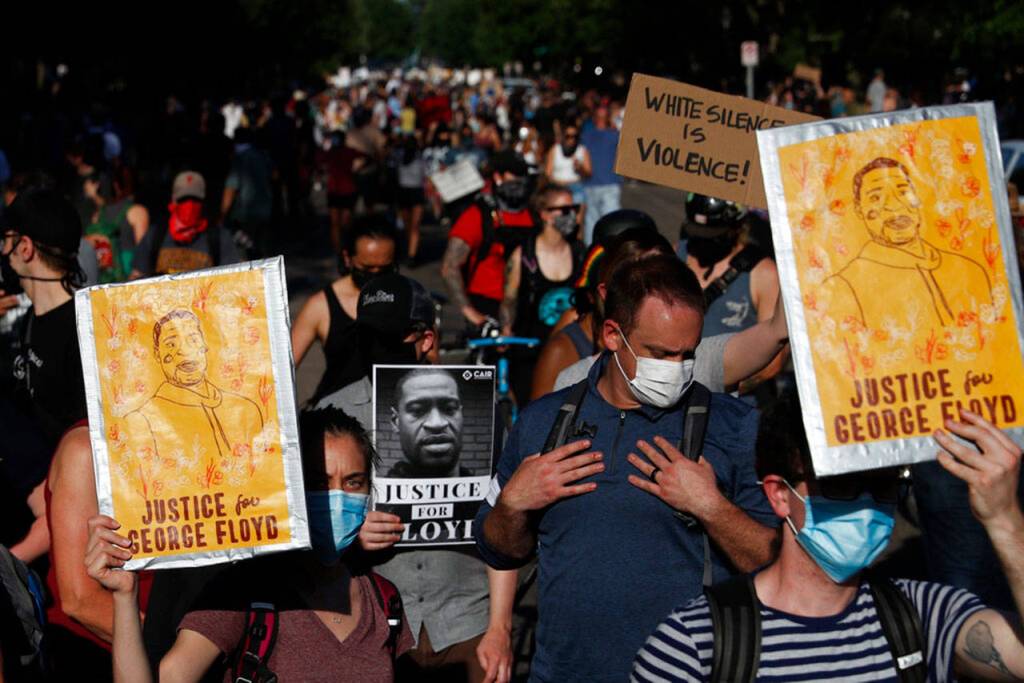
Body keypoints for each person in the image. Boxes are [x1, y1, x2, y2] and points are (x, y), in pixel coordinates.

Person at [474, 255, 778, 682]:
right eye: (660, 354)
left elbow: (777, 563)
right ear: (613, 335)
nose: (676, 370)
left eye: (687, 355)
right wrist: (512, 505)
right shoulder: (544, 421)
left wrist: (712, 508)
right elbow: (498, 548)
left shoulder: (734, 426)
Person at [633, 398, 1024, 682]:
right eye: (843, 485)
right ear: (780, 494)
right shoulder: (693, 645)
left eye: (884, 484)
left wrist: (1004, 518)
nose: (867, 501)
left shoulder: (925, 616)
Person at [84, 407, 415, 682]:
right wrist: (124, 597)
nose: (338, 499)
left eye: (353, 482)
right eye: (318, 482)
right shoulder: (247, 589)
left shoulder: (384, 601)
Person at [319, 273, 516, 683]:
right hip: (373, 623)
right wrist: (348, 532)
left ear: (425, 340)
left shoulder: (483, 408)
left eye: (388, 339)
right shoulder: (332, 412)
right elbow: (304, 527)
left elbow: (505, 517)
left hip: (466, 621)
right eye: (367, 336)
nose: (375, 349)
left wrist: (500, 628)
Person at [825, 156, 992, 329]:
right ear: (860, 210)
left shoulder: (971, 271)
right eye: (876, 197)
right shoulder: (843, 287)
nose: (895, 206)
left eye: (903, 192)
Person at [3, 187, 88, 448]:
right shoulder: (32, 318)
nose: (4, 251)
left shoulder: (84, 330)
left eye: (6, 241)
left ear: (25, 248)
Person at [678, 193, 785, 393]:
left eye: (712, 234)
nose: (703, 241)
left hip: (733, 408)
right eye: (698, 232)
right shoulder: (674, 256)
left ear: (736, 227)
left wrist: (712, 393)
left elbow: (773, 362)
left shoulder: (765, 275)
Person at [124, 309, 264, 461]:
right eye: (171, 344)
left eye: (193, 340)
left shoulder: (247, 409)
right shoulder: (142, 421)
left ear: (204, 345)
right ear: (158, 354)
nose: (184, 351)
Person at [292, 215, 398, 404]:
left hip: (390, 412)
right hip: (336, 414)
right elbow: (285, 368)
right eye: (366, 268)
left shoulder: (408, 299)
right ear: (348, 258)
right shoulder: (320, 306)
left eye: (383, 270)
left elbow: (432, 362)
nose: (374, 276)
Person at [501, 186, 585, 403]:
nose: (571, 215)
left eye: (574, 208)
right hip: (529, 350)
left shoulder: (579, 251)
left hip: (570, 351)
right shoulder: (524, 255)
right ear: (545, 214)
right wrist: (506, 327)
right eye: (564, 209)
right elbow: (509, 298)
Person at [441, 149, 538, 329]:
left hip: (527, 307)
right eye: (515, 174)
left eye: (523, 174)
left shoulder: (535, 214)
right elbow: (450, 267)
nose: (521, 180)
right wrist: (473, 315)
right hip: (486, 306)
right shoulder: (478, 215)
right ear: (498, 177)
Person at [131, 171, 239, 278]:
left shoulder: (219, 238)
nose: (190, 206)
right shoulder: (156, 235)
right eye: (184, 199)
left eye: (195, 200)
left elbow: (231, 280)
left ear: (203, 202)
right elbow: (137, 276)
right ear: (173, 200)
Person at [387, 368, 469, 478]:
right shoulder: (377, 494)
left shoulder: (489, 491)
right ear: (396, 422)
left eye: (449, 409)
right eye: (417, 410)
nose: (436, 424)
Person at [220, 126, 273, 258]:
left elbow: (230, 189)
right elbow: (274, 176)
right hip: (265, 210)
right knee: (261, 252)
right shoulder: (262, 155)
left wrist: (222, 214)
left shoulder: (239, 159)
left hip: (244, 215)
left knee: (244, 254)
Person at [580, 104, 622, 244]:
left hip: (592, 184)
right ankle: (612, 251)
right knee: (611, 222)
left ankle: (590, 251)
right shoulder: (615, 135)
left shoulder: (585, 136)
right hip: (607, 184)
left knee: (592, 222)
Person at [394, 134, 427, 266]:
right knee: (415, 225)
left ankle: (411, 250)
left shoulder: (399, 157)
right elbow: (427, 175)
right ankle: (412, 253)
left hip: (403, 192)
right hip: (416, 192)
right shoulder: (421, 159)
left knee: (408, 225)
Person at [544, 121, 591, 205]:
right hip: (558, 186)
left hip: (576, 186)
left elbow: (588, 174)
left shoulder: (582, 150)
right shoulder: (555, 149)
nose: (571, 139)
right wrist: (557, 184)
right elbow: (548, 173)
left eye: (574, 136)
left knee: (578, 209)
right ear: (563, 136)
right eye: (568, 136)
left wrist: (579, 168)